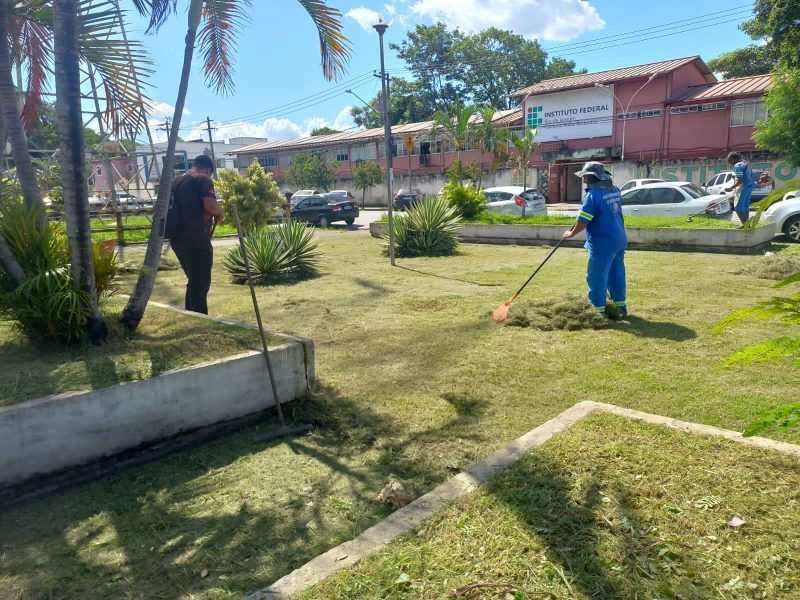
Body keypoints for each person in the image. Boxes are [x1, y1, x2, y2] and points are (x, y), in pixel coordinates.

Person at [562, 161, 627, 317]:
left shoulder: (592, 195)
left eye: (585, 177)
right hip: (618, 241)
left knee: (597, 276)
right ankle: (621, 307)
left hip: (602, 244)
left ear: (592, 177)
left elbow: (584, 220)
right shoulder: (615, 190)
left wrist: (571, 233)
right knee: (616, 274)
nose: (584, 180)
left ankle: (597, 312)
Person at [169, 155, 223, 314]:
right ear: (208, 170)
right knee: (200, 283)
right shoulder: (203, 179)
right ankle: (200, 318)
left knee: (193, 281)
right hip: (196, 239)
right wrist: (221, 213)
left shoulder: (176, 181)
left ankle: (190, 315)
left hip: (176, 239)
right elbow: (211, 206)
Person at [724, 152, 753, 226]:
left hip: (744, 187)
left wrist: (730, 188)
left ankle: (745, 225)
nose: (730, 163)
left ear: (734, 159)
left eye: (730, 161)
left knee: (738, 207)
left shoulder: (737, 166)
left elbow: (740, 180)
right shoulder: (747, 164)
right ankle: (747, 224)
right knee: (745, 206)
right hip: (749, 186)